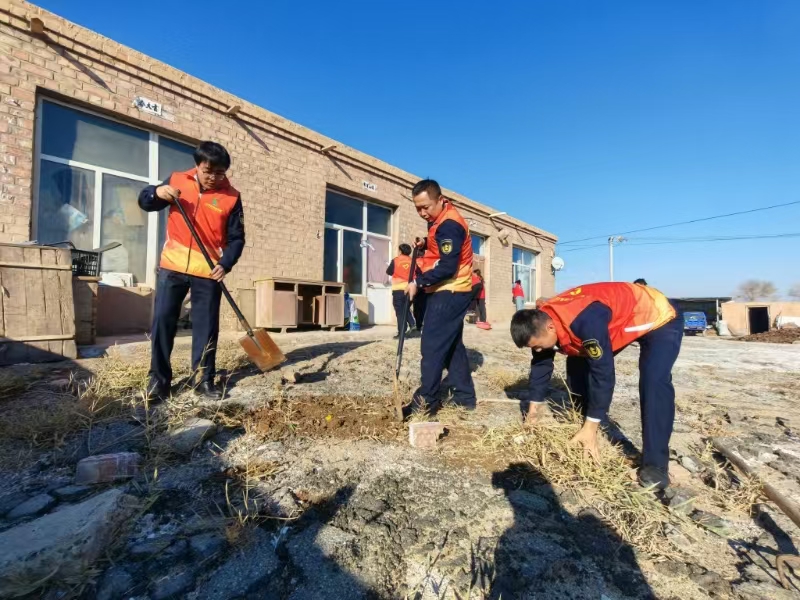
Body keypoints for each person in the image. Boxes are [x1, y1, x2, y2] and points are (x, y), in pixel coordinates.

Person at [510, 282, 683, 490]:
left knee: (654, 380)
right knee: (577, 360)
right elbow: (541, 364)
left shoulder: (586, 322)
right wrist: (533, 410)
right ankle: (584, 421)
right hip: (619, 318)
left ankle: (656, 464)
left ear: (549, 327)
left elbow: (604, 373)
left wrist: (593, 424)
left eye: (536, 345)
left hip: (657, 316)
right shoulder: (541, 320)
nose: (536, 350)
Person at [138, 141, 245, 401]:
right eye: (209, 171)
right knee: (163, 321)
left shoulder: (231, 196)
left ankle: (203, 380)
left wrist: (225, 263)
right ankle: (159, 382)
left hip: (207, 270)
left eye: (220, 173)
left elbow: (237, 238)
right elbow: (146, 202)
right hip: (172, 267)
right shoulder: (176, 181)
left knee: (207, 327)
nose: (214, 178)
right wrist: (156, 192)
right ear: (197, 165)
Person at [406, 179, 476, 413]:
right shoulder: (439, 221)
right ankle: (465, 397)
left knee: (432, 346)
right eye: (417, 208)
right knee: (452, 345)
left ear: (440, 200)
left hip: (451, 289)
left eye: (426, 206)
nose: (422, 212)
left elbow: (447, 266)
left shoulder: (448, 225)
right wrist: (426, 243)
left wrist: (417, 282)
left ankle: (426, 401)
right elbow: (443, 247)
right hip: (448, 288)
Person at [386, 243, 418, 338]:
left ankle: (401, 333)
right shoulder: (413, 261)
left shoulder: (396, 260)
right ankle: (413, 325)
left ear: (400, 251)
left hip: (399, 289)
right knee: (405, 308)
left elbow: (389, 272)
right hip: (410, 289)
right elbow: (417, 273)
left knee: (400, 311)